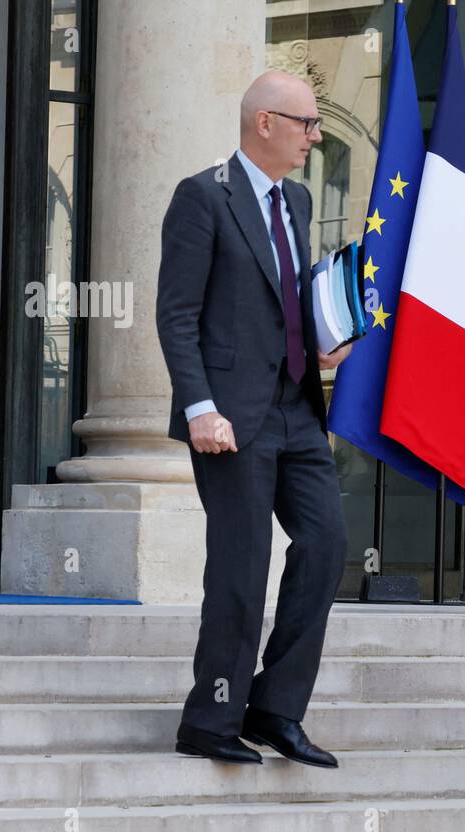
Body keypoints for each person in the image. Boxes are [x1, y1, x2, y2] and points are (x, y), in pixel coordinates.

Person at [156, 70, 350, 767]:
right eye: (306, 123)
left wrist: (325, 338)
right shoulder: (202, 196)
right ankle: (209, 719)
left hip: (299, 409)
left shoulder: (296, 201)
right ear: (264, 122)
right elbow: (176, 316)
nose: (316, 136)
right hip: (231, 418)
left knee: (327, 546)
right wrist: (200, 407)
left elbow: (286, 298)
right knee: (241, 568)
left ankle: (273, 708)